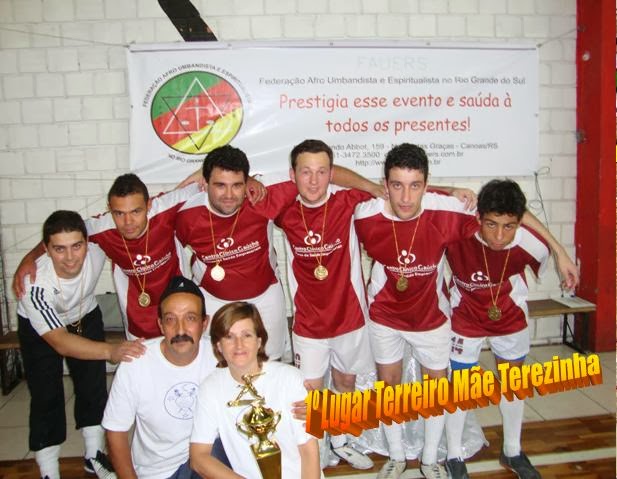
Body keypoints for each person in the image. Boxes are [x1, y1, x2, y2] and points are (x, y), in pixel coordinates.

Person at [353, 144, 579, 479]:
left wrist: (560, 251)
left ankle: (491, 452)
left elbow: (510, 212)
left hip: (465, 317)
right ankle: (422, 456)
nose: (406, 197)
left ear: (426, 185)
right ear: (386, 185)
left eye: (415, 186)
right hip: (422, 315)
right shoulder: (368, 215)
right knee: (415, 387)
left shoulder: (458, 216)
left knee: (498, 384)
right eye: (397, 185)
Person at [444, 180, 563, 479]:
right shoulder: (455, 231)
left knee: (513, 383)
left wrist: (561, 252)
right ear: (478, 217)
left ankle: (512, 450)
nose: (499, 236)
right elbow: (420, 195)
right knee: (461, 386)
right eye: (491, 224)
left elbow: (537, 252)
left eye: (509, 226)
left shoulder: (534, 246)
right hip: (465, 315)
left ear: (520, 222)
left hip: (509, 316)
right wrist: (451, 190)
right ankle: (454, 455)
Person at [17, 210, 145, 479]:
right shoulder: (34, 284)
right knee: (46, 394)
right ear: (46, 250)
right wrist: (111, 351)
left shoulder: (97, 248)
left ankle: (93, 456)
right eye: (59, 249)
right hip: (42, 329)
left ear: (87, 242)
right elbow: (62, 343)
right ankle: (49, 471)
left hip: (85, 314)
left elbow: (140, 211)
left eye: (76, 246)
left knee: (93, 385)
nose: (70, 257)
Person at [13, 174, 201, 339]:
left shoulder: (166, 206)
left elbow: (211, 178)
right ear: (110, 209)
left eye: (136, 211)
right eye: (119, 213)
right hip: (137, 316)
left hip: (178, 303)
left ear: (149, 204)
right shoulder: (101, 227)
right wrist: (29, 258)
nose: (128, 222)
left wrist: (200, 171)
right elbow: (62, 231)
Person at [175, 145, 298, 360]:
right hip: (212, 299)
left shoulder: (261, 195)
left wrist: (368, 187)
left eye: (237, 185)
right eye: (220, 185)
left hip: (265, 296)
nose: (229, 195)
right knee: (216, 364)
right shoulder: (186, 213)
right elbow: (144, 211)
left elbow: (320, 172)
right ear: (205, 183)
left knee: (269, 363)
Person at [102, 275, 218, 479]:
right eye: (170, 319)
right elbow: (115, 431)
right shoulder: (135, 363)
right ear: (161, 325)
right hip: (160, 472)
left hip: (210, 459)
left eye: (190, 318)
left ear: (204, 323)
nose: (180, 329)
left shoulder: (221, 355)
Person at [189, 301, 321, 479]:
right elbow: (198, 457)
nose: (239, 344)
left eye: (247, 335)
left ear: (259, 341)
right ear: (218, 345)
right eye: (229, 336)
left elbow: (309, 451)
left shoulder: (290, 378)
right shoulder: (211, 388)